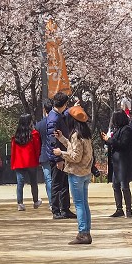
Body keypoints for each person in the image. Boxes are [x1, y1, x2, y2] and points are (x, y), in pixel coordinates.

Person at [52, 105, 94, 245]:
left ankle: (82, 233)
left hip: (76, 173)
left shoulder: (76, 135)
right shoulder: (85, 135)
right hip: (85, 173)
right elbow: (75, 148)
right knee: (84, 203)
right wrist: (63, 139)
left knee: (79, 204)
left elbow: (75, 156)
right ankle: (86, 231)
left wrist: (61, 153)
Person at [45, 92, 76, 220]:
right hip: (57, 156)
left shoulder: (58, 115)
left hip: (63, 154)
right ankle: (56, 209)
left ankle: (65, 208)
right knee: (57, 183)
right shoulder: (54, 118)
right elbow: (53, 140)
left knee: (64, 183)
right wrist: (57, 158)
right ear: (63, 104)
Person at [102, 109, 132, 218]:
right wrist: (106, 139)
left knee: (124, 186)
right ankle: (119, 209)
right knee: (115, 185)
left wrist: (110, 140)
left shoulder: (127, 130)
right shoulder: (117, 130)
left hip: (123, 161)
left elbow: (123, 144)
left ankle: (128, 209)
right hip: (116, 162)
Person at [10, 114, 42, 211]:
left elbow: (13, 151)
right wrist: (38, 159)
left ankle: (20, 203)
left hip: (19, 162)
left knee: (20, 183)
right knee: (33, 182)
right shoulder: (34, 134)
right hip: (31, 161)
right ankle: (35, 201)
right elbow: (37, 149)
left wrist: (13, 163)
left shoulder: (16, 136)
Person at [35, 99, 54, 209]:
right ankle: (58, 201)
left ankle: (52, 202)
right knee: (58, 179)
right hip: (57, 154)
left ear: (44, 110)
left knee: (48, 179)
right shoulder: (58, 121)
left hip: (44, 154)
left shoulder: (39, 125)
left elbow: (38, 142)